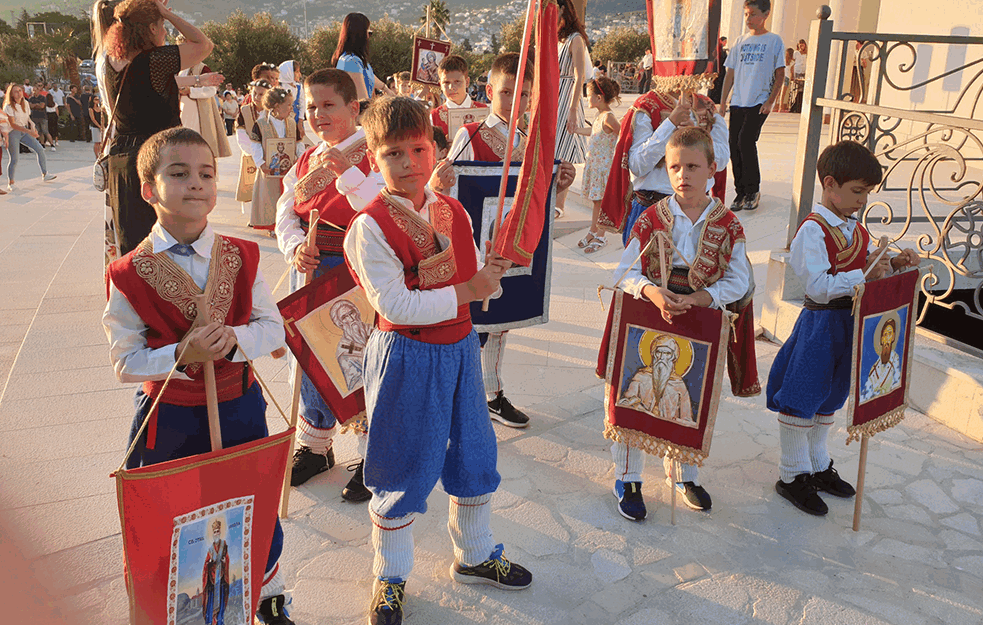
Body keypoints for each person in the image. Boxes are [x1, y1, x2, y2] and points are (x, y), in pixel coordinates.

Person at [343, 96, 531, 625]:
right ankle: (391, 576)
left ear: (435, 148)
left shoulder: (454, 211)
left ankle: (473, 554)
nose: (408, 162)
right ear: (374, 161)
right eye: (393, 153)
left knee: (473, 449)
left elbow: (470, 283)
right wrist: (468, 290)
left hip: (460, 349)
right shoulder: (370, 226)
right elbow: (395, 304)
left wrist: (487, 280)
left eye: (418, 148)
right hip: (407, 353)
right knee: (401, 462)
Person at [102, 126, 296, 624]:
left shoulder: (243, 255)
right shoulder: (127, 273)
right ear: (149, 190)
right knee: (176, 518)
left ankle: (264, 590)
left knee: (250, 506)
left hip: (241, 409)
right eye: (179, 173)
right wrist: (177, 353)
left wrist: (235, 340)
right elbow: (124, 361)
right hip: (171, 419)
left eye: (206, 173)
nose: (196, 184)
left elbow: (272, 328)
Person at [605, 126, 754, 520]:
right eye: (674, 167)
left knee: (688, 396)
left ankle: (684, 470)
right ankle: (628, 476)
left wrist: (702, 298)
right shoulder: (652, 217)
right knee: (633, 396)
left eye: (692, 166)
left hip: (698, 320)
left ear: (713, 169)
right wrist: (653, 293)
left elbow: (740, 279)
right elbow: (624, 272)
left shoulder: (729, 225)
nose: (683, 175)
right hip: (650, 313)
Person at [767, 140, 921, 517]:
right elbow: (817, 283)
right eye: (857, 192)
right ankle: (792, 474)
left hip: (849, 324)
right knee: (804, 395)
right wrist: (865, 274)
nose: (862, 201)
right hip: (820, 323)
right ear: (830, 184)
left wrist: (895, 263)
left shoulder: (854, 227)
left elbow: (866, 263)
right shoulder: (813, 231)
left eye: (866, 193)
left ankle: (818, 465)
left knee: (830, 396)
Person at [445, 52, 576, 429]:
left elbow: (539, 208)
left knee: (501, 325)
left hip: (511, 254)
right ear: (489, 91)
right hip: (474, 250)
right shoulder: (469, 136)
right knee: (471, 326)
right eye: (507, 92)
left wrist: (558, 187)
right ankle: (464, 396)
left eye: (525, 95)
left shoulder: (532, 144)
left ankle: (492, 393)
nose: (515, 102)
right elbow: (451, 197)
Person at [274, 69, 381, 497]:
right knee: (311, 359)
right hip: (312, 271)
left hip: (358, 273)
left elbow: (381, 207)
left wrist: (347, 173)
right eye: (311, 106)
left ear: (353, 108)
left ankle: (372, 453)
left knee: (356, 360)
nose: (317, 114)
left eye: (328, 105)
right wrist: (295, 245)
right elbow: (287, 210)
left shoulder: (374, 153)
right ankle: (315, 447)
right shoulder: (305, 160)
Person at [96, 0, 216, 257]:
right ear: (151, 28)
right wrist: (166, 13)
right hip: (156, 157)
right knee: (166, 243)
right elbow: (205, 45)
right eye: (162, 26)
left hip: (122, 158)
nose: (165, 32)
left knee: (133, 244)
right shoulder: (155, 59)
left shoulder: (111, 61)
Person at [615, 91, 729, 247]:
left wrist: (697, 134)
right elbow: (637, 166)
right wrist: (669, 125)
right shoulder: (647, 106)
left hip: (698, 213)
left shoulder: (706, 107)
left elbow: (721, 161)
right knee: (641, 268)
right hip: (651, 208)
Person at [718, 0, 785, 212]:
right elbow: (730, 73)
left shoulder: (774, 41)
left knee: (745, 141)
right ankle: (740, 192)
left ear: (766, 15)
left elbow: (780, 74)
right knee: (733, 146)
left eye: (753, 14)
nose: (748, 18)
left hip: (758, 102)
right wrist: (722, 103)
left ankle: (753, 190)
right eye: (746, 14)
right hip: (738, 101)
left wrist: (770, 101)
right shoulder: (739, 41)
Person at [571, 76, 621, 254]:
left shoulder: (608, 117)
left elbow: (622, 133)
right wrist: (576, 130)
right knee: (596, 201)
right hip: (595, 165)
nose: (587, 99)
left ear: (599, 97)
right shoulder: (599, 116)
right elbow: (593, 131)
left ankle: (601, 234)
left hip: (603, 167)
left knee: (602, 202)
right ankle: (593, 229)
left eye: (589, 95)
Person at [247, 87, 305, 233]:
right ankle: (272, 226)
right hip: (269, 170)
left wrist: (300, 159)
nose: (291, 108)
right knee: (270, 198)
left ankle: (287, 225)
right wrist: (261, 163)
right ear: (277, 106)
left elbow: (298, 143)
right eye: (288, 105)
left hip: (289, 169)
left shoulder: (292, 122)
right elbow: (255, 146)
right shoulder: (260, 124)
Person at [555, 0, 588, 218]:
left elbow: (580, 76)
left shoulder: (575, 38)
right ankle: (554, 201)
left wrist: (573, 108)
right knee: (555, 151)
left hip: (568, 97)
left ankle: (560, 204)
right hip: (555, 97)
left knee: (565, 151)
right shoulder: (557, 39)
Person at [175, 48, 231, 160]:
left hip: (198, 112)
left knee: (197, 144)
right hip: (182, 110)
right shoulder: (180, 70)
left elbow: (211, 90)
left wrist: (191, 91)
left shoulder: (203, 68)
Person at [3, 83, 57, 191]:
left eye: (20, 90)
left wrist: (33, 127)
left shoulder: (26, 103)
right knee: (14, 159)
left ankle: (45, 174)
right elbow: (13, 124)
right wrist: (29, 131)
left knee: (40, 149)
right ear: (11, 94)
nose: (18, 93)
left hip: (23, 130)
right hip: (12, 132)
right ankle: (11, 183)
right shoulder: (8, 106)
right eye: (15, 91)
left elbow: (27, 118)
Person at [332, 13, 395, 101]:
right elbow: (362, 100)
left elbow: (369, 75)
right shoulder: (351, 61)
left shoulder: (353, 59)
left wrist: (385, 89)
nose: (369, 37)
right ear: (360, 35)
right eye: (369, 33)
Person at [234, 79, 269, 215]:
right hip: (250, 155)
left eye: (261, 94)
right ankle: (251, 216)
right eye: (254, 93)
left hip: (268, 156)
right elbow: (241, 134)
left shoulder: (272, 112)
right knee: (250, 185)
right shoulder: (245, 111)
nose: (256, 97)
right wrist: (255, 153)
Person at [201, 518, 230, 625]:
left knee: (221, 608)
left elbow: (227, 559)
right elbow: (205, 566)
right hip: (212, 583)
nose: (216, 533)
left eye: (218, 531)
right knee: (210, 607)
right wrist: (209, 563)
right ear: (212, 534)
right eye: (214, 532)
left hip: (221, 580)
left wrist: (224, 561)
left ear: (220, 532)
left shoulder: (223, 545)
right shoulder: (210, 549)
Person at [28, 82, 53, 149]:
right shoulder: (31, 98)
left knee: (45, 131)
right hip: (35, 117)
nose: (34, 92)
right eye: (33, 90)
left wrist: (35, 105)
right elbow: (30, 106)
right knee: (39, 132)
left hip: (43, 117)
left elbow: (42, 106)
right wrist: (37, 105)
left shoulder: (42, 98)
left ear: (38, 90)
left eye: (35, 90)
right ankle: (42, 144)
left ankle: (52, 144)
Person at [89, 94, 105, 158]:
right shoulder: (91, 109)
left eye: (98, 99)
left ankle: (100, 154)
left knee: (101, 142)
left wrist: (102, 125)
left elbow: (102, 117)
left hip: (101, 126)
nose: (97, 101)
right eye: (96, 99)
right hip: (95, 127)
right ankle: (96, 155)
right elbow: (93, 119)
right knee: (96, 142)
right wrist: (99, 126)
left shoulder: (100, 108)